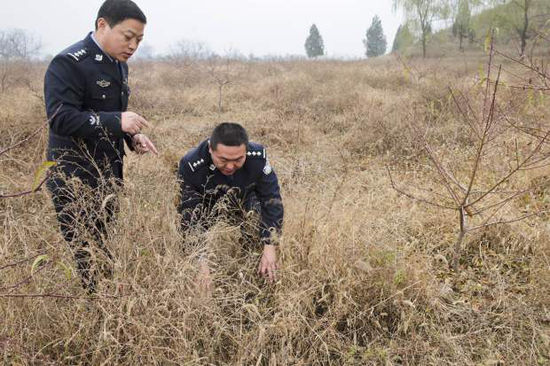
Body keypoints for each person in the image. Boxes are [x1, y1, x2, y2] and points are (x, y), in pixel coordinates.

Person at [44, 0, 157, 292]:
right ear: (102, 25)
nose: (133, 46)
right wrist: (116, 120)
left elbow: (112, 119)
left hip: (108, 175)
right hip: (75, 177)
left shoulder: (119, 66)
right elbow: (61, 119)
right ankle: (97, 315)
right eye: (128, 36)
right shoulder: (68, 63)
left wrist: (132, 138)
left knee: (103, 249)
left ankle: (105, 304)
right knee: (87, 254)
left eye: (139, 40)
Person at [177, 123, 284, 285]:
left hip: (245, 200)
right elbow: (190, 215)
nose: (230, 166)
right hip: (208, 205)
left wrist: (270, 245)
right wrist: (200, 261)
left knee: (257, 223)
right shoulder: (191, 165)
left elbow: (271, 199)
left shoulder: (258, 157)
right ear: (210, 149)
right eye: (223, 160)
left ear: (246, 151)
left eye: (238, 160)